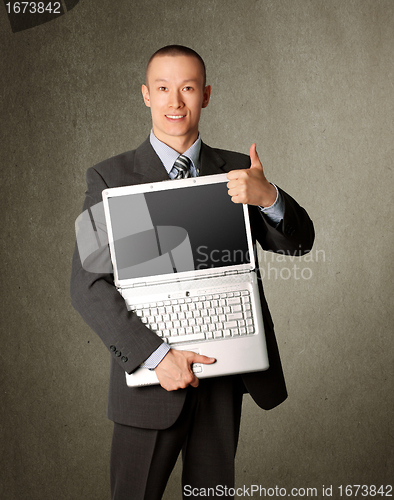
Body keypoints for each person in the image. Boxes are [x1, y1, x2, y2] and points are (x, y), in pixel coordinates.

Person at [70, 45, 314, 499]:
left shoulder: (238, 170)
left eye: (187, 88)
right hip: (150, 375)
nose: (175, 101)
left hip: (225, 371)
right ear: (146, 95)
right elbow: (86, 283)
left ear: (206, 94)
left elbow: (300, 244)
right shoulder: (110, 179)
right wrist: (159, 356)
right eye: (163, 88)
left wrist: (268, 196)